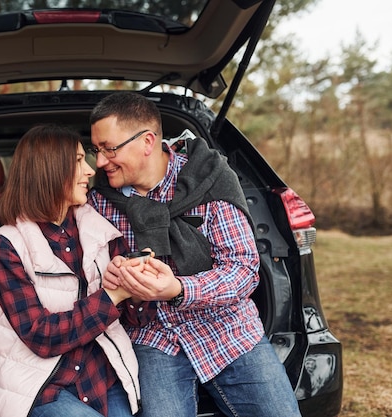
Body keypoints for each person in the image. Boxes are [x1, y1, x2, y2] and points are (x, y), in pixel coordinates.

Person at [87, 91, 302, 417]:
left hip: (229, 330)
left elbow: (244, 269)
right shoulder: (99, 201)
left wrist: (179, 290)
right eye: (96, 150)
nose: (100, 162)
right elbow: (84, 273)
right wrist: (112, 273)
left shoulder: (209, 179)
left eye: (109, 149)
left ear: (147, 142)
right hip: (152, 338)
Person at [0, 124, 141, 417]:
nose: (91, 171)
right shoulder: (5, 246)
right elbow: (41, 337)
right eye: (79, 162)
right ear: (50, 170)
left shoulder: (100, 231)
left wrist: (134, 284)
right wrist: (112, 295)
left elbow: (132, 317)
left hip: (102, 375)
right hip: (40, 385)